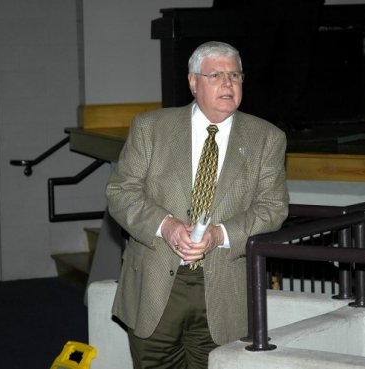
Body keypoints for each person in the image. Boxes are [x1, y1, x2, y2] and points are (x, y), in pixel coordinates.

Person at [106, 41, 289, 369]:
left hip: (225, 289)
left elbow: (273, 208)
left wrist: (219, 235)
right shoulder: (151, 128)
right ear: (193, 82)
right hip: (156, 285)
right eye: (216, 74)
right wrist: (168, 227)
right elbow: (120, 193)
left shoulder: (267, 138)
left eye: (235, 75)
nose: (228, 83)